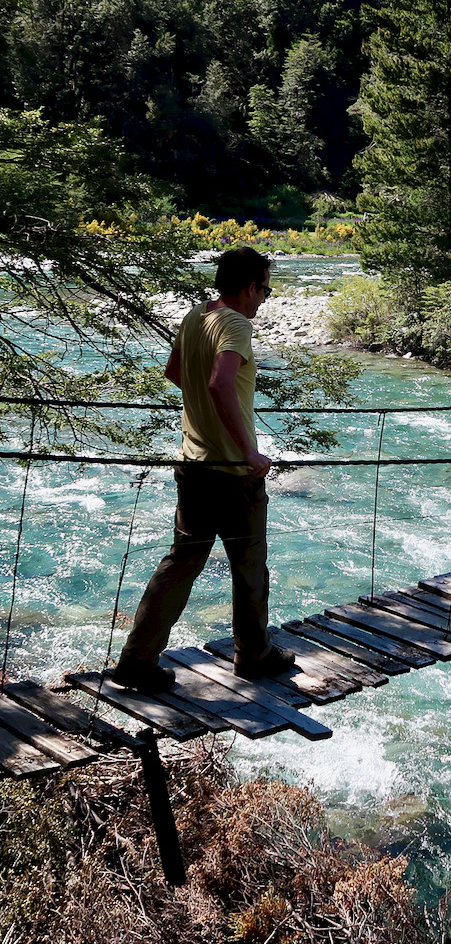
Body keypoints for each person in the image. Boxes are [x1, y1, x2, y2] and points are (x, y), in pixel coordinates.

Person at [112, 246, 295, 692]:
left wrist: (205, 418)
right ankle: (253, 655)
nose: (265, 298)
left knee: (180, 563)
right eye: (266, 289)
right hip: (232, 473)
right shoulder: (235, 323)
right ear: (250, 286)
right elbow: (218, 382)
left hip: (192, 465)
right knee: (249, 565)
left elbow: (176, 372)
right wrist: (248, 451)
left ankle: (136, 661)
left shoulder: (196, 316)